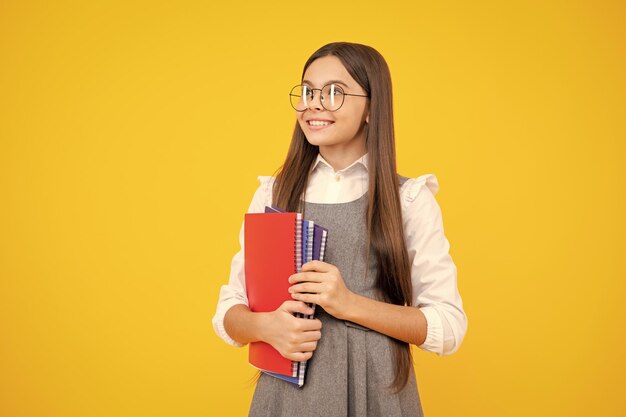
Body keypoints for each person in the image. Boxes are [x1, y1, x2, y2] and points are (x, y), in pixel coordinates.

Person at [212, 42, 467, 417]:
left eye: (334, 92)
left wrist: (349, 304)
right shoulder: (273, 192)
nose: (314, 104)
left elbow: (448, 327)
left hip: (376, 397)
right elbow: (228, 312)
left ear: (371, 108)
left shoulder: (409, 200)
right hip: (285, 399)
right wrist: (266, 327)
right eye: (309, 91)